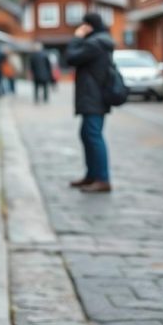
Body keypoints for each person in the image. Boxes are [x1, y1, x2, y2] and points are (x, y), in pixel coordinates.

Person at [63, 12, 115, 193]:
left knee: (93, 136)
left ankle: (102, 179)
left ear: (88, 26)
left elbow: (71, 58)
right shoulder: (100, 41)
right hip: (94, 96)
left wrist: (77, 38)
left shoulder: (95, 43)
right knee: (88, 134)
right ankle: (92, 175)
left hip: (93, 97)